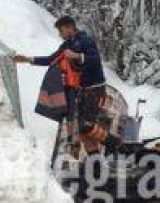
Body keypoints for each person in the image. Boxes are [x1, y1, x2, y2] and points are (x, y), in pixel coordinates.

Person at [13, 16, 121, 154]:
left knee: (86, 126)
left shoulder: (85, 41)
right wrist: (28, 59)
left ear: (70, 27)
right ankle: (96, 165)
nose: (60, 34)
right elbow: (51, 59)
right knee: (82, 131)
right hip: (81, 91)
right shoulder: (67, 45)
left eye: (61, 30)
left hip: (94, 89)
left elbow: (95, 59)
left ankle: (116, 144)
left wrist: (77, 56)